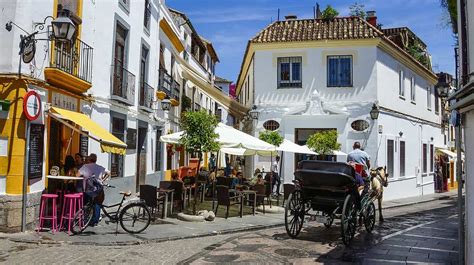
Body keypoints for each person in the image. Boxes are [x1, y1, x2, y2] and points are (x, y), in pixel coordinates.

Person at [76, 153, 107, 226]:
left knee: (87, 203)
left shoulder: (85, 167)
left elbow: (77, 175)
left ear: (89, 159)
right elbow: (108, 173)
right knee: (97, 204)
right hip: (98, 189)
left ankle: (86, 219)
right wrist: (103, 180)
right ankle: (95, 221)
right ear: (95, 160)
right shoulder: (99, 167)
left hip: (88, 189)